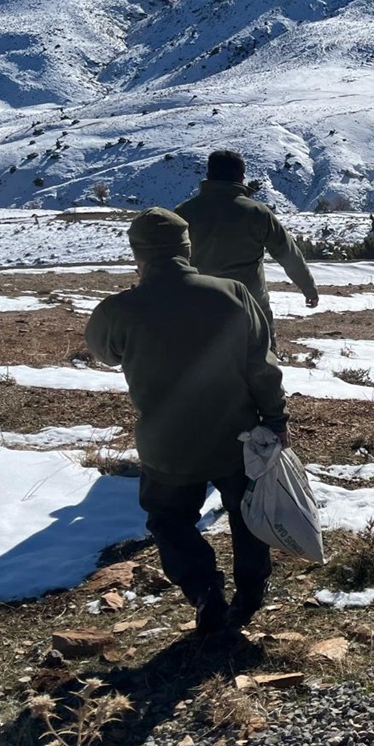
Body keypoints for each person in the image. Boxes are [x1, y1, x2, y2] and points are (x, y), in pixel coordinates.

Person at [85, 208, 288, 634]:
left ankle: (204, 591)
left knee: (169, 519)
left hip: (166, 445)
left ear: (137, 254)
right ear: (187, 248)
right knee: (247, 515)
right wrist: (274, 417)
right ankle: (250, 593)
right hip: (236, 438)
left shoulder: (117, 311)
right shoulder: (232, 293)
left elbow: (105, 354)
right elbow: (261, 367)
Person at [174, 149, 319, 350]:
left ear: (208, 176)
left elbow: (165, 257)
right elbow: (287, 254)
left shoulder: (183, 212)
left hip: (199, 305)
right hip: (251, 306)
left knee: (200, 370)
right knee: (261, 371)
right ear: (242, 178)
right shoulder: (258, 213)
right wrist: (308, 288)